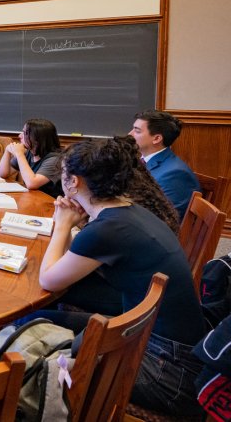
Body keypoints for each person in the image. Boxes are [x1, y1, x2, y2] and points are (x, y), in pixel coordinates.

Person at [37, 137, 208, 416]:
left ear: (75, 182)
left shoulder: (106, 230)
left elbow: (48, 280)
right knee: (38, 320)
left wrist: (62, 224)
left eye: (64, 174)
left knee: (36, 340)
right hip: (177, 350)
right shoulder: (128, 211)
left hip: (166, 371)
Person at [128, 109, 200, 219]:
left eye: (137, 131)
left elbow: (163, 218)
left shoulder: (175, 174)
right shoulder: (140, 160)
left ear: (157, 138)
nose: (130, 134)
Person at [0, 118, 63, 197]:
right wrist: (7, 150)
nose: (19, 136)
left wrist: (19, 154)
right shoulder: (28, 153)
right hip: (32, 198)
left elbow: (32, 183)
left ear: (37, 139)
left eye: (25, 133)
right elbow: (3, 174)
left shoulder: (55, 159)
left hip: (50, 204)